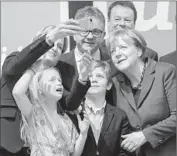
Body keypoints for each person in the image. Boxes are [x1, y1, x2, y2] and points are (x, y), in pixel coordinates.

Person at [0, 24, 88, 156]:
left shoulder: (52, 77)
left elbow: (69, 103)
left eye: (60, 47)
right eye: (53, 43)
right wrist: (48, 41)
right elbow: (13, 70)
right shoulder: (16, 59)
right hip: (10, 144)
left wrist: (83, 79)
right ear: (40, 41)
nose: (55, 48)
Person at [106, 29, 176, 156]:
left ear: (139, 51)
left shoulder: (165, 72)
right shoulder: (115, 84)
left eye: (123, 47)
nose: (117, 54)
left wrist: (145, 135)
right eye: (112, 51)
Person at [12, 66, 90, 156]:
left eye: (59, 80)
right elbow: (17, 93)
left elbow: (74, 154)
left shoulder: (66, 120)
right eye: (52, 80)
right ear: (39, 87)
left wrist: (83, 134)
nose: (58, 83)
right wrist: (34, 68)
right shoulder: (33, 114)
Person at [77, 60, 134, 156]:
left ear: (109, 85)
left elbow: (125, 152)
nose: (93, 80)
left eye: (99, 76)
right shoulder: (74, 113)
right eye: (89, 76)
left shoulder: (120, 116)